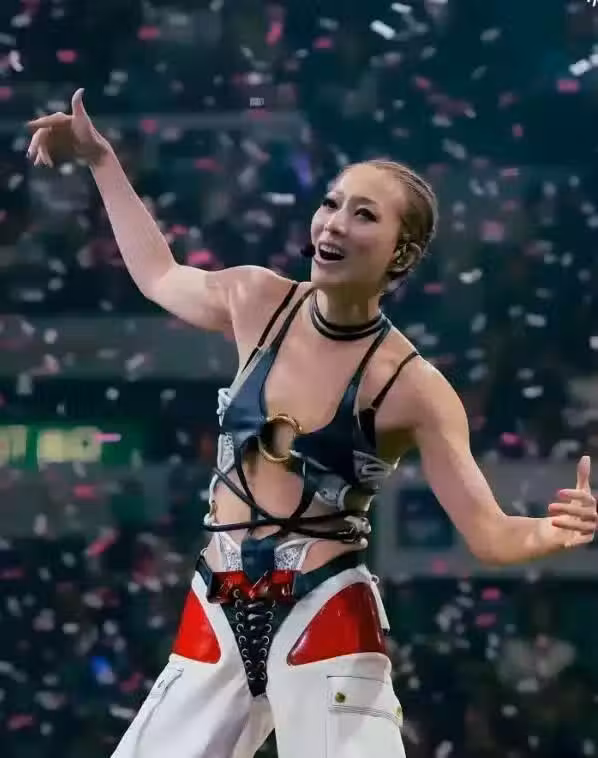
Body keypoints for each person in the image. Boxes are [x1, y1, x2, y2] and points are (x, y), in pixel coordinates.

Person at [26, 90, 597, 758]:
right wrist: (102, 160)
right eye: (331, 203)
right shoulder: (256, 299)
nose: (334, 224)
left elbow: (491, 536)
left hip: (325, 617)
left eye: (364, 215)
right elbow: (159, 275)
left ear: (402, 254)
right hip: (214, 610)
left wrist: (557, 531)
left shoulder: (412, 387)